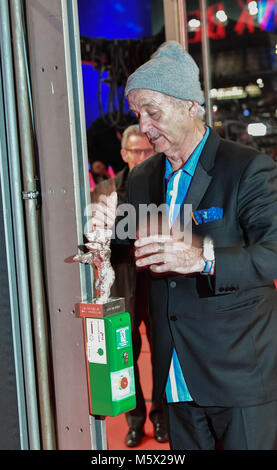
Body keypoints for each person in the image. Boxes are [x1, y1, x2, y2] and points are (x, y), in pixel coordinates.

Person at [92, 41, 277, 450]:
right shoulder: (144, 177)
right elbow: (128, 234)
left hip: (238, 378)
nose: (144, 127)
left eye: (153, 112)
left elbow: (271, 254)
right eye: (139, 114)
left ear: (190, 106)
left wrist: (202, 259)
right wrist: (106, 228)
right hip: (174, 378)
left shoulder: (247, 169)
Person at [91, 124, 169, 447]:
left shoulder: (164, 186)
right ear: (123, 154)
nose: (142, 157)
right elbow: (96, 237)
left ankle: (162, 418)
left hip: (158, 284)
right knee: (127, 357)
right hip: (123, 284)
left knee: (163, 354)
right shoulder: (106, 190)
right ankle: (134, 421)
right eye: (136, 151)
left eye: (147, 151)